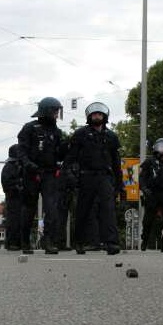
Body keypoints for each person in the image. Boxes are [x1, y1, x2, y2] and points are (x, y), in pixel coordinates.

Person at [64, 101, 123, 255]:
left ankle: (112, 243)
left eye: (100, 114)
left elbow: (116, 162)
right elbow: (70, 158)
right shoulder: (81, 134)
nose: (97, 116)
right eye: (94, 114)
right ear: (89, 117)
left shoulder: (111, 136)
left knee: (108, 210)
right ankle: (80, 242)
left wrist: (119, 184)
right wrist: (70, 175)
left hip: (104, 177)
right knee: (83, 209)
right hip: (86, 177)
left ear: (104, 116)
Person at [15, 97, 67, 254]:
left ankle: (49, 241)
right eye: (55, 111)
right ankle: (24, 241)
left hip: (50, 174)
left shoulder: (56, 132)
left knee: (52, 208)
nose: (57, 114)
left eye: (58, 111)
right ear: (46, 111)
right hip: (31, 173)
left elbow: (59, 155)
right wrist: (27, 164)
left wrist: (65, 148)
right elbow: (21, 150)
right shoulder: (29, 128)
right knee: (28, 208)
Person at [139, 137, 163, 252]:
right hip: (152, 193)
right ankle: (145, 239)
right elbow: (142, 177)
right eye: (159, 147)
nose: (162, 150)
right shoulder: (149, 162)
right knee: (148, 220)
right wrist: (144, 188)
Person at [0, 144, 25, 251]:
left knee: (19, 220)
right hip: (13, 198)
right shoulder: (9, 167)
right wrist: (18, 184)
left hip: (18, 198)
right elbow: (6, 183)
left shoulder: (16, 166)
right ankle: (12, 243)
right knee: (13, 221)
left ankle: (17, 242)